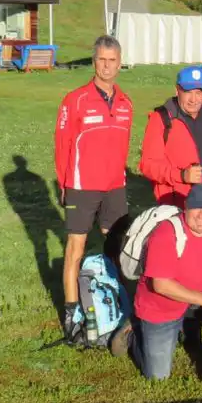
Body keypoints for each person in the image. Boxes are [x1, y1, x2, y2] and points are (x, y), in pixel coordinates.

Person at [111, 184, 202, 394]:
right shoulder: (165, 233)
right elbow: (161, 285)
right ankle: (133, 334)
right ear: (186, 207)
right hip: (160, 306)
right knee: (158, 377)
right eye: (196, 208)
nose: (201, 216)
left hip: (197, 298)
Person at [55, 35, 133, 333]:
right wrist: (64, 183)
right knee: (76, 247)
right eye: (102, 59)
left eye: (112, 60)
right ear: (93, 61)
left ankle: (114, 304)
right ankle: (71, 313)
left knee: (117, 247)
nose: (107, 66)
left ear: (120, 63)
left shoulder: (126, 103)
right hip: (82, 186)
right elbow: (62, 145)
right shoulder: (74, 100)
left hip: (114, 187)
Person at [138, 65, 202, 211]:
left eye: (198, 92)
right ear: (177, 90)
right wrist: (181, 175)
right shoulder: (161, 119)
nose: (193, 99)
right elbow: (147, 165)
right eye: (188, 92)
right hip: (178, 206)